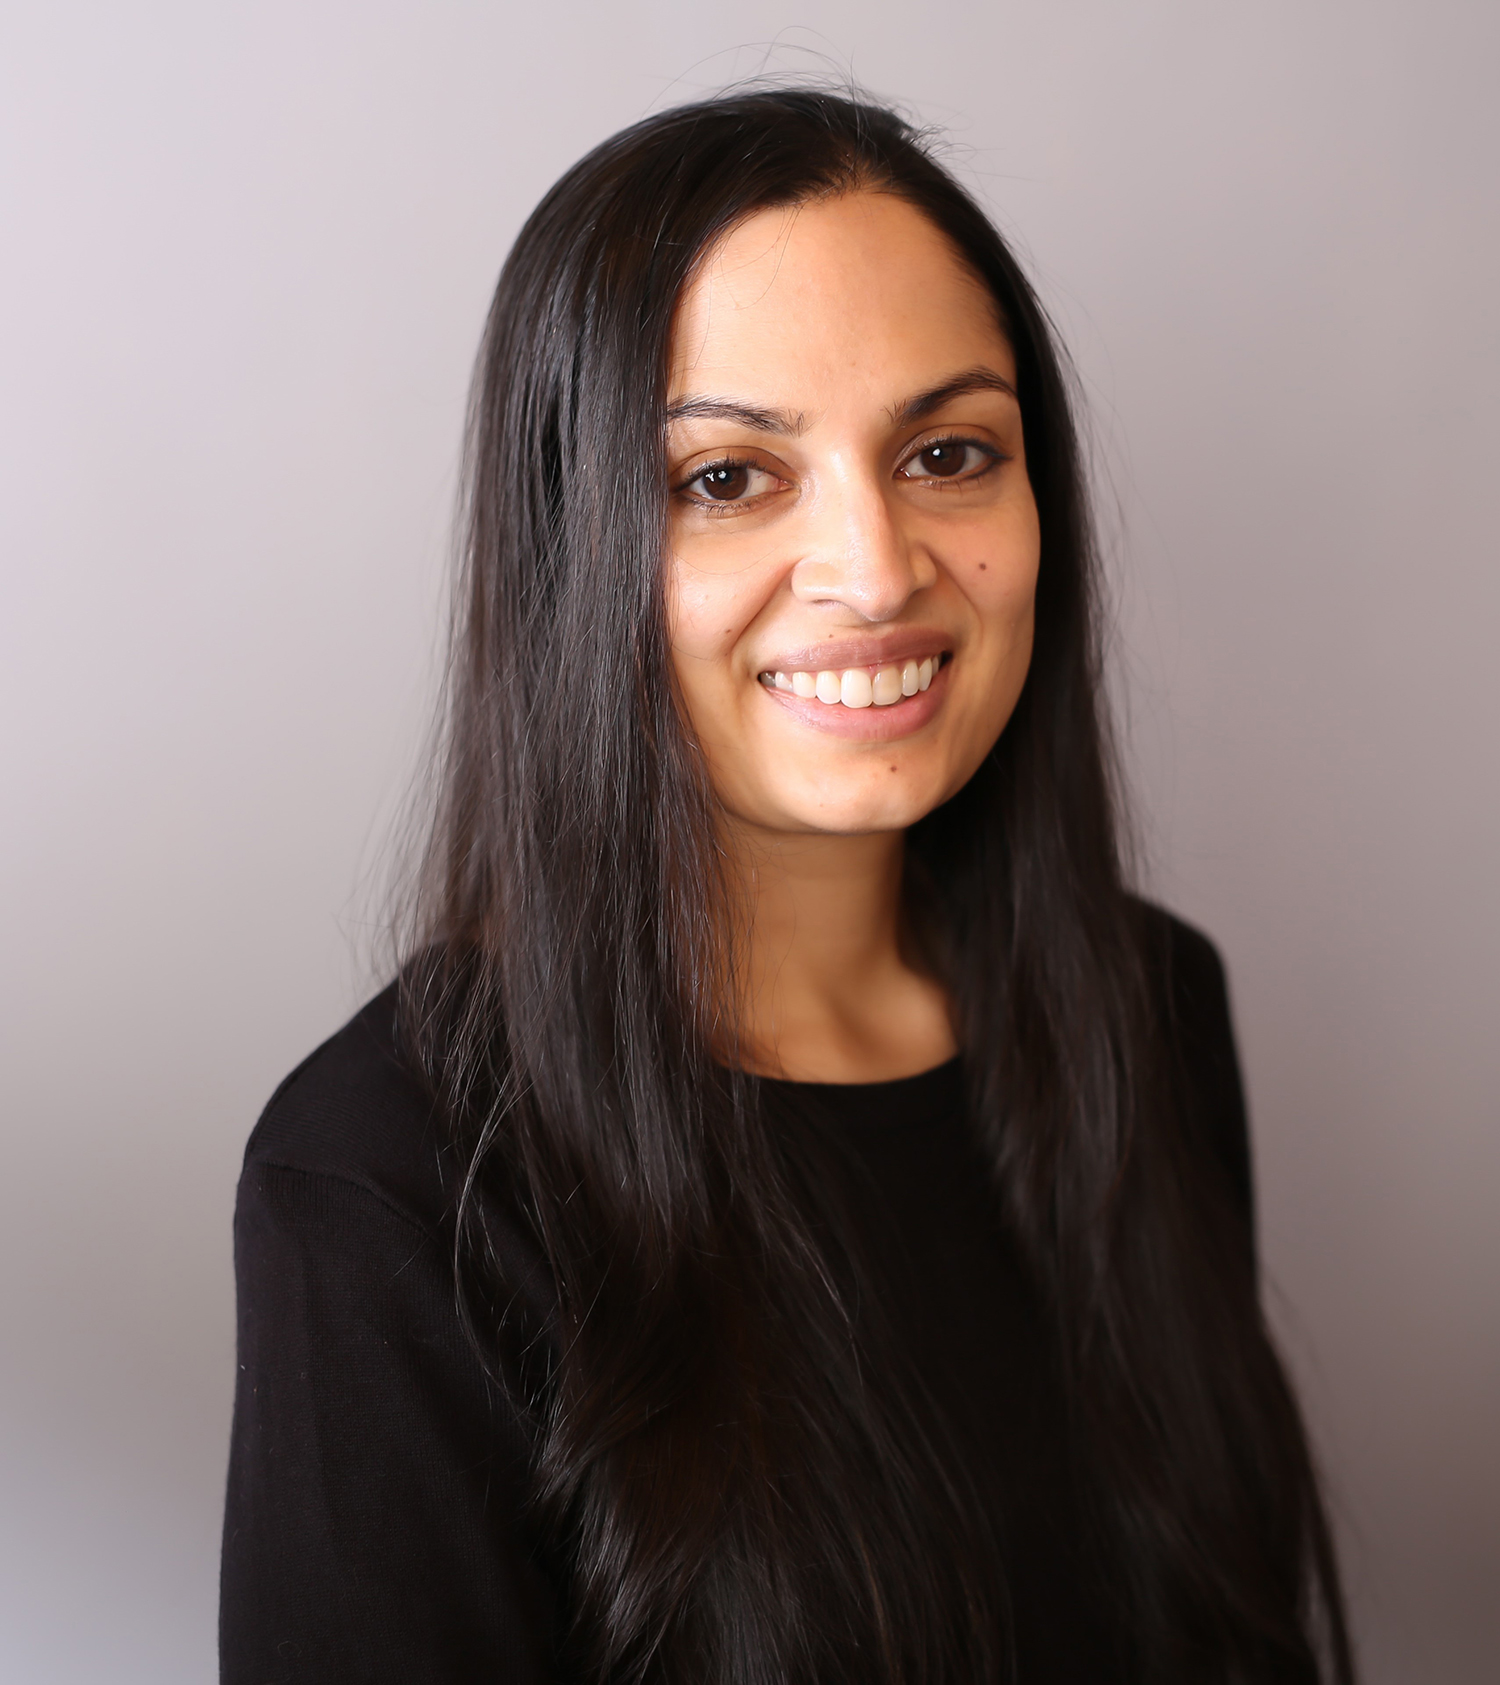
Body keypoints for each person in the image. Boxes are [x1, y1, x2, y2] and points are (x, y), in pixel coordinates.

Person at [220, 87, 1353, 1685]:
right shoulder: (389, 1183)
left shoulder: (1147, 1013)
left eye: (948, 452)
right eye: (729, 478)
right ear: (573, 543)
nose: (878, 567)